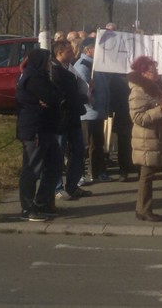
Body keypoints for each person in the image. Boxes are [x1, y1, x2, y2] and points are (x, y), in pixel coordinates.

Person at [16, 49, 62, 222]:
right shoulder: (32, 78)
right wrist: (48, 100)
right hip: (34, 129)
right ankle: (27, 208)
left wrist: (51, 99)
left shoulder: (42, 76)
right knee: (32, 168)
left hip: (47, 128)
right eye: (48, 60)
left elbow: (56, 94)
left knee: (55, 164)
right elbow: (52, 96)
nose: (50, 63)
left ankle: (43, 202)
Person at [127, 56, 162, 222]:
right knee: (146, 176)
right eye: (154, 70)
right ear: (144, 73)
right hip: (146, 140)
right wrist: (161, 110)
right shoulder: (138, 91)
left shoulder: (156, 88)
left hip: (155, 137)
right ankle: (144, 210)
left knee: (148, 175)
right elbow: (138, 117)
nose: (157, 73)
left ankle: (143, 209)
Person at [51, 40, 91, 201]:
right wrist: (81, 97)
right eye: (69, 51)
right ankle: (57, 188)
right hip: (61, 119)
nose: (73, 54)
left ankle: (73, 185)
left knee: (79, 151)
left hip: (73, 117)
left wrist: (87, 89)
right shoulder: (54, 70)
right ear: (60, 53)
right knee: (58, 154)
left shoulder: (70, 68)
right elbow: (63, 95)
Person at [74, 38, 112, 183]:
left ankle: (98, 171)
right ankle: (88, 173)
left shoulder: (95, 65)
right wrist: (93, 103)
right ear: (88, 50)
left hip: (97, 112)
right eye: (97, 48)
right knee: (91, 145)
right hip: (89, 113)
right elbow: (85, 92)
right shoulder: (84, 66)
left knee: (98, 143)